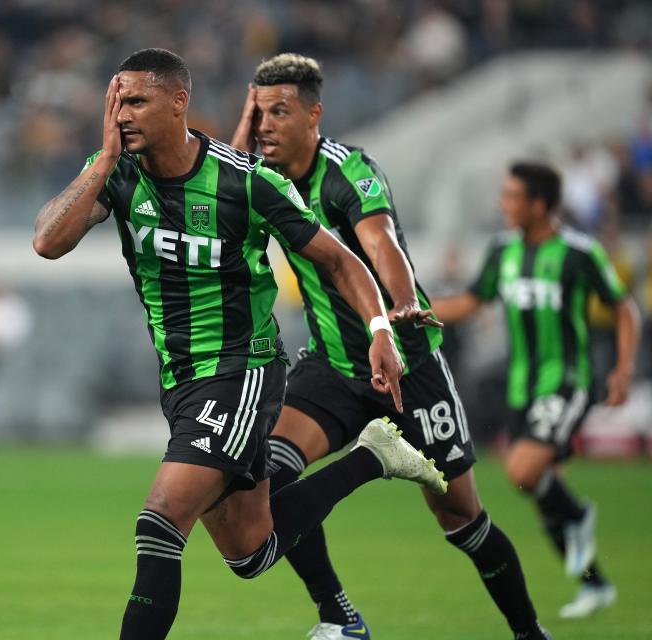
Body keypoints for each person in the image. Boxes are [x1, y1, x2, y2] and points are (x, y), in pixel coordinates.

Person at [33, 48, 446, 640]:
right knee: (250, 552)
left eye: (137, 101)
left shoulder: (245, 182)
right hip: (179, 379)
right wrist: (102, 160)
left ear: (179, 104)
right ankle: (373, 457)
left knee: (160, 521)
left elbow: (340, 259)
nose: (122, 114)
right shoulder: (119, 173)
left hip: (241, 371)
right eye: (116, 101)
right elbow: (48, 242)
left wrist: (381, 329)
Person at [231, 53, 550, 640]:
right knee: (267, 485)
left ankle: (530, 633)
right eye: (259, 112)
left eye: (280, 111)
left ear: (314, 115)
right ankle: (340, 618)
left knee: (461, 518)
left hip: (406, 363)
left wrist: (400, 303)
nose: (266, 125)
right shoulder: (259, 176)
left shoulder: (347, 170)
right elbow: (229, 169)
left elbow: (380, 244)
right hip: (331, 366)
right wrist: (246, 119)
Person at [433, 161, 640, 619]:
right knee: (544, 493)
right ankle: (593, 583)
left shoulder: (578, 252)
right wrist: (417, 309)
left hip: (566, 380)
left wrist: (622, 369)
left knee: (524, 471)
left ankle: (582, 516)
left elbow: (623, 308)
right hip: (521, 387)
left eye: (511, 197)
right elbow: (473, 299)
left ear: (540, 204)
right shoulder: (503, 250)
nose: (502, 205)